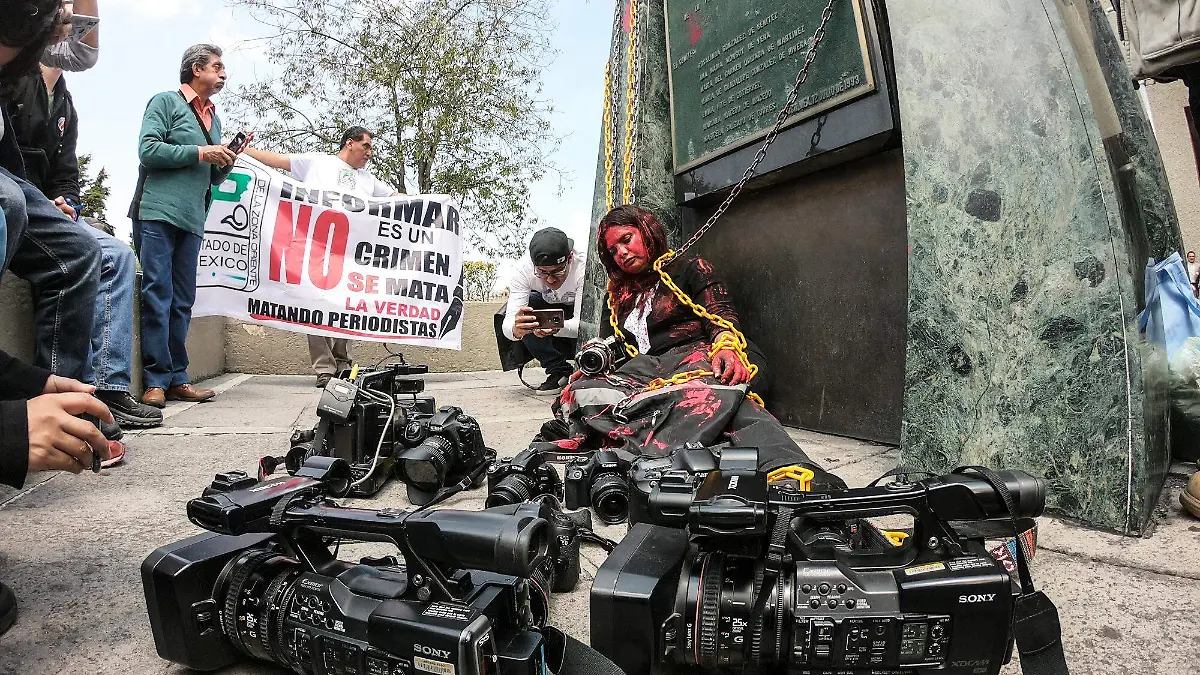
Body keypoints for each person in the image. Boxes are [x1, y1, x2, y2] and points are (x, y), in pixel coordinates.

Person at [538, 205, 827, 478]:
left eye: (627, 240)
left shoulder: (690, 268)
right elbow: (609, 343)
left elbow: (720, 313)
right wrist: (592, 365)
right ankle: (675, 439)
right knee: (581, 391)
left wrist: (725, 344)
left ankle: (783, 463)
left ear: (646, 231)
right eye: (613, 250)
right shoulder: (615, 296)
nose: (622, 253)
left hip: (694, 354)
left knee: (715, 393)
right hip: (645, 370)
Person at [0, 0, 113, 637]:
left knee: (91, 246)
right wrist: (9, 434)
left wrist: (31, 387)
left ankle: (69, 405)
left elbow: (83, 46)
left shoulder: (55, 89)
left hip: (32, 188)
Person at [8, 64, 162, 429]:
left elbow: (66, 174)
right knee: (75, 249)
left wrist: (67, 202)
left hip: (45, 207)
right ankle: (65, 399)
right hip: (16, 195)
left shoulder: (64, 103)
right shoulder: (13, 77)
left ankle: (107, 388)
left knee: (118, 254)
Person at [128, 44, 248, 408]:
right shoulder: (165, 102)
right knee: (157, 294)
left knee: (182, 301)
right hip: (158, 212)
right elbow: (148, 150)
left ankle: (178, 377)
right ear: (196, 69)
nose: (223, 72)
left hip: (193, 218)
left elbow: (212, 175)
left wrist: (227, 158)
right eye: (217, 66)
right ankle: (155, 381)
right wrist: (201, 151)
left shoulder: (215, 118)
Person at [243, 126, 402, 387]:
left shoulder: (367, 180)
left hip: (348, 255)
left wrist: (434, 201)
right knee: (313, 305)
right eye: (366, 146)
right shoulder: (317, 163)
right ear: (349, 143)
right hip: (312, 250)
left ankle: (343, 364)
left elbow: (395, 198)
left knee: (345, 306)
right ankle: (324, 369)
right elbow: (277, 160)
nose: (370, 153)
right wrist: (241, 150)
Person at [499, 227, 585, 395]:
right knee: (524, 311)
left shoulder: (584, 269)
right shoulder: (523, 272)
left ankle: (589, 367)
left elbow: (585, 325)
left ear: (570, 258)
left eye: (558, 271)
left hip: (580, 317)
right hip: (548, 311)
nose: (551, 279)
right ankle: (558, 369)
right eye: (542, 273)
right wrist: (517, 329)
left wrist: (557, 326)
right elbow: (508, 324)